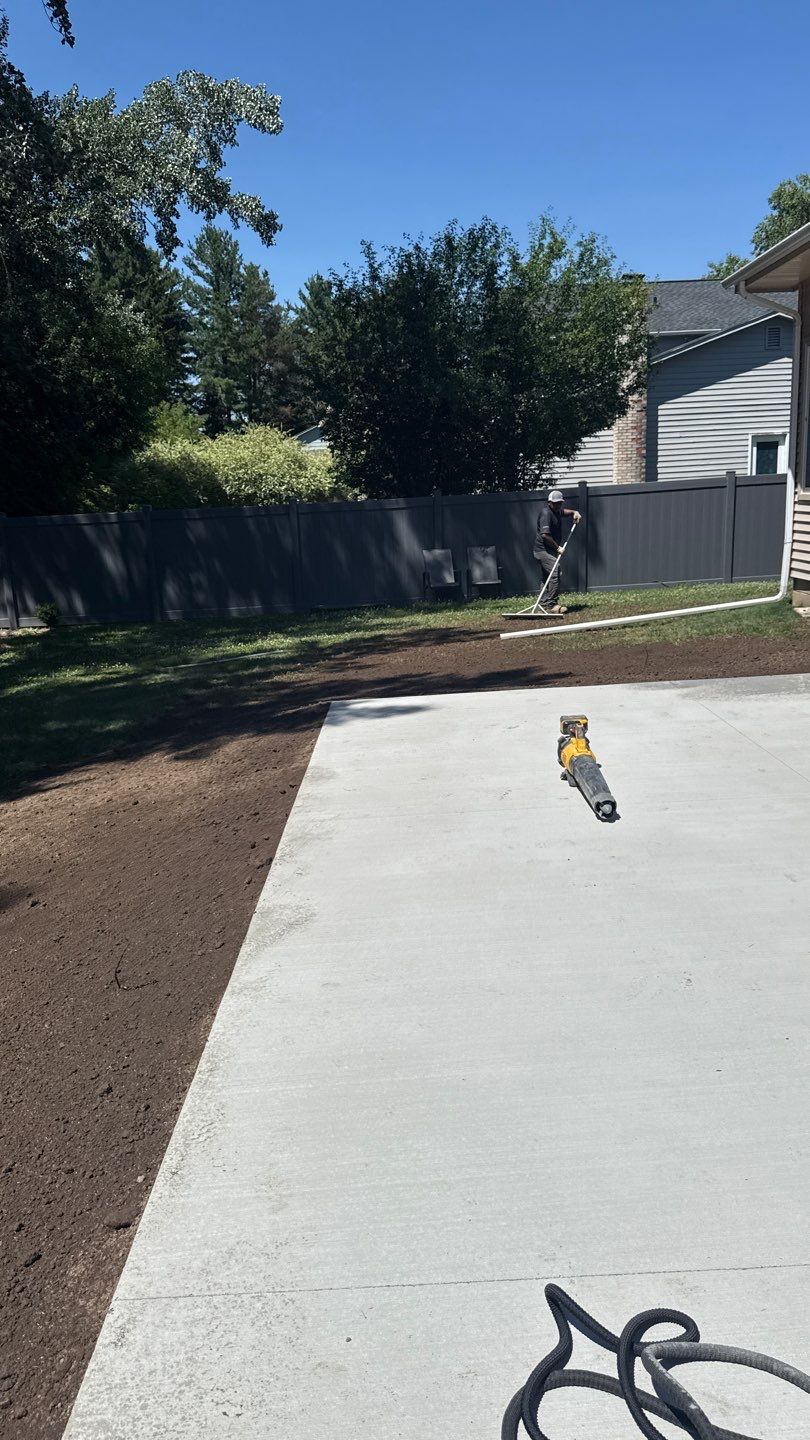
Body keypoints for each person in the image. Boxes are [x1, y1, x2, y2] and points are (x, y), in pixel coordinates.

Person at [532, 489, 582, 615]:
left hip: (547, 550)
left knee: (546, 577)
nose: (557, 505)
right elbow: (545, 535)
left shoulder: (557, 510)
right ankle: (552, 604)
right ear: (549, 502)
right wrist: (557, 548)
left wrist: (574, 512)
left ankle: (543, 605)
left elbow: (564, 512)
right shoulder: (546, 514)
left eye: (559, 503)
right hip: (542, 551)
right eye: (555, 503)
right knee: (555, 572)